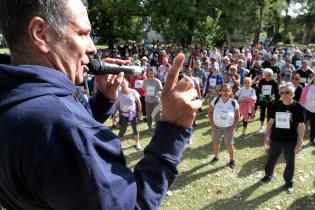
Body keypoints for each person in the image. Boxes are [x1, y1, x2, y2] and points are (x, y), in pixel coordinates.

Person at [0, 1, 202, 209]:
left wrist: (103, 99)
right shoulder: (62, 126)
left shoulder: (13, 101)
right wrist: (172, 130)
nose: (92, 48)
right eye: (82, 33)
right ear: (40, 34)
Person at [261, 82, 305, 193]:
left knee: (290, 162)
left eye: (287, 92)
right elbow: (270, 122)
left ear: (292, 93)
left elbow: (301, 125)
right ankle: (268, 175)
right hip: (275, 139)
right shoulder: (274, 105)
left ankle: (289, 182)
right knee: (271, 159)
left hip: (291, 140)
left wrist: (300, 141)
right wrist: (266, 136)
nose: (284, 94)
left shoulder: (298, 107)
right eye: (282, 92)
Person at [208, 84, 240, 169]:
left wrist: (233, 127)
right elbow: (210, 113)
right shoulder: (215, 100)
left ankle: (232, 160)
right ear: (220, 91)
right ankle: (216, 157)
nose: (225, 92)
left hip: (229, 127)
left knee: (229, 144)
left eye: (227, 90)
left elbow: (237, 116)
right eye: (224, 90)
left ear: (230, 92)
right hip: (216, 126)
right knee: (216, 142)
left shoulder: (233, 102)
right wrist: (212, 124)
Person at [114, 78, 142, 150]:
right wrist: (114, 115)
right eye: (121, 83)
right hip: (124, 115)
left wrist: (139, 113)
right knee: (123, 129)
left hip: (133, 114)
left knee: (135, 129)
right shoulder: (119, 93)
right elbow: (116, 105)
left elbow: (138, 103)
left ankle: (137, 143)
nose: (123, 84)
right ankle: (117, 143)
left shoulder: (133, 91)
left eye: (124, 83)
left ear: (127, 83)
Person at [257, 68, 280, 133]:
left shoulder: (274, 82)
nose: (269, 76)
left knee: (269, 114)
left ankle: (268, 127)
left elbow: (277, 92)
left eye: (270, 74)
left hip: (271, 101)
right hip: (263, 100)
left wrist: (276, 100)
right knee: (262, 113)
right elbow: (258, 90)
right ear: (265, 74)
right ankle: (261, 126)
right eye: (267, 74)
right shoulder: (261, 81)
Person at [143, 68, 163, 134]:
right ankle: (149, 127)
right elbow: (144, 89)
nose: (151, 74)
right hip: (148, 100)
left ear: (154, 74)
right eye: (150, 73)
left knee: (156, 114)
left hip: (156, 100)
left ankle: (158, 127)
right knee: (149, 115)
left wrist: (157, 92)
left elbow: (161, 90)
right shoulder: (145, 81)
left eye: (152, 73)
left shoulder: (157, 81)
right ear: (147, 74)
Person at [300, 76, 315, 146]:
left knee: (314, 126)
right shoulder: (307, 87)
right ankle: (298, 139)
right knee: (302, 124)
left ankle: (312, 140)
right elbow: (302, 98)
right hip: (306, 109)